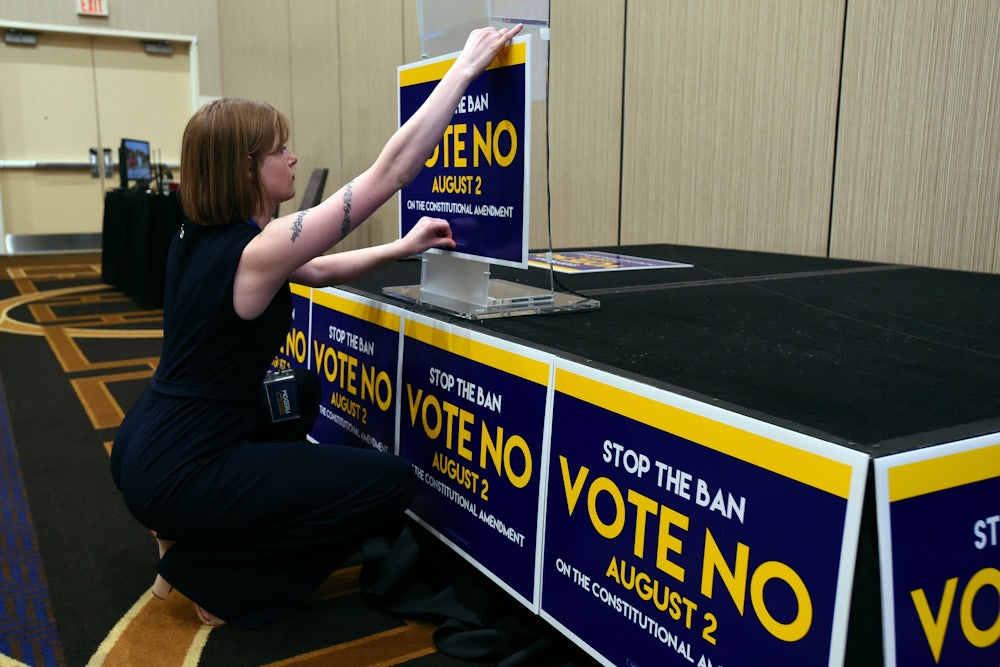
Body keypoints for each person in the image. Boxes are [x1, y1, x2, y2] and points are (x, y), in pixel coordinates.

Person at [109, 23, 524, 627]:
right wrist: (464, 69)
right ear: (247, 167)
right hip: (182, 466)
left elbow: (316, 268)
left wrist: (398, 248)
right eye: (280, 149)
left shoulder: (201, 234)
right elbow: (393, 171)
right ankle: (214, 578)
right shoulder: (260, 247)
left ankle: (184, 530)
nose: (293, 157)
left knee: (297, 392)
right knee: (388, 484)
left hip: (144, 446)